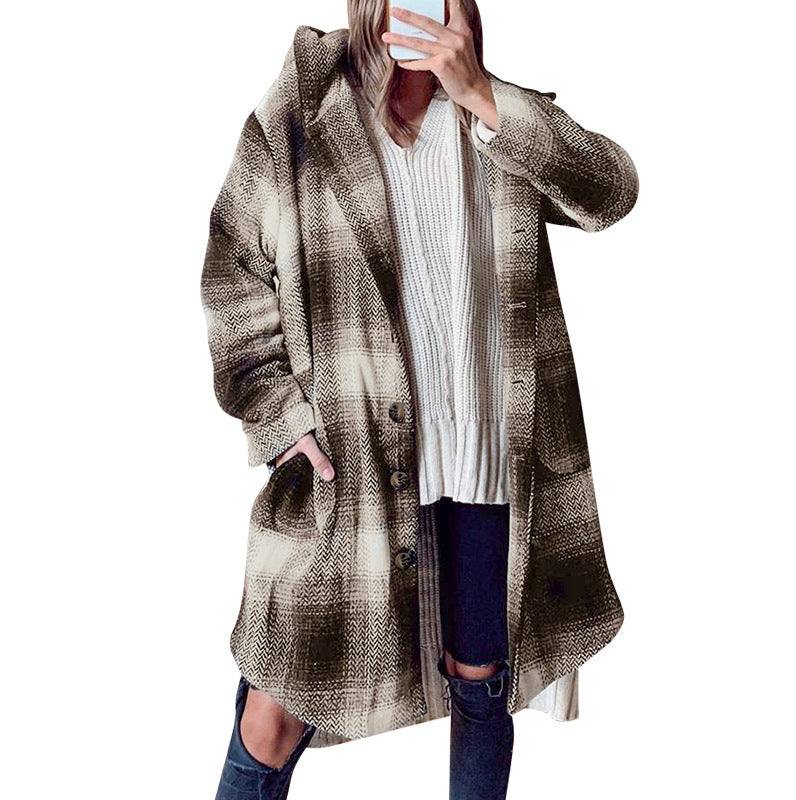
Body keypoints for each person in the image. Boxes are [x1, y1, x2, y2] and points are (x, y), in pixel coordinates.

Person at [201, 2, 638, 798]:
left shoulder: (493, 117)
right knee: (275, 711)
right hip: (352, 467)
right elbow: (235, 267)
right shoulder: (305, 107)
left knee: (481, 681)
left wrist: (482, 95)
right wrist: (279, 414)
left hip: (486, 462)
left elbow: (611, 192)